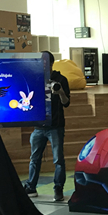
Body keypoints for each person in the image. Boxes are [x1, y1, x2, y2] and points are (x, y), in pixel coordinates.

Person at [24, 51, 70, 202]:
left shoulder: (61, 79)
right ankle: (31, 187)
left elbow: (66, 103)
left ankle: (58, 189)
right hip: (39, 126)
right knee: (34, 159)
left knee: (58, 160)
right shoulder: (35, 78)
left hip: (55, 126)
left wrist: (60, 92)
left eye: (45, 63)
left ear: (51, 64)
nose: (42, 66)